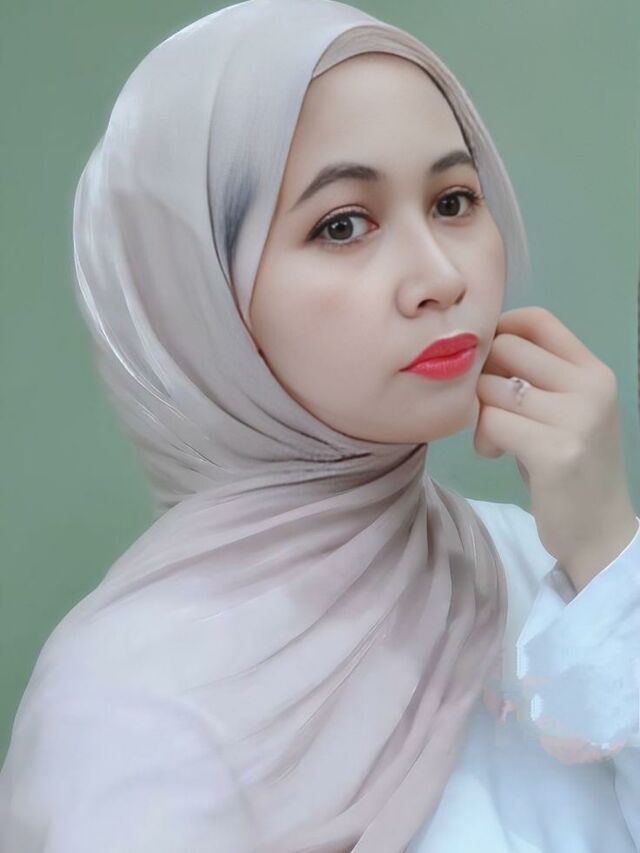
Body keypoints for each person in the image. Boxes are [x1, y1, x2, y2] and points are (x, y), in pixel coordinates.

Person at [1, 1, 638, 850]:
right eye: (343, 225)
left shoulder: (536, 566)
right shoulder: (127, 717)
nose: (441, 277)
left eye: (453, 201)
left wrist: (608, 554)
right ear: (203, 301)